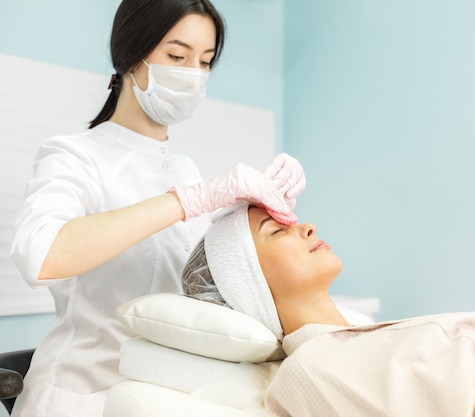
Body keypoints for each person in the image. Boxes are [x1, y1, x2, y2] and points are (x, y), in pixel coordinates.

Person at [10, 1, 304, 416]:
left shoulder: (183, 169)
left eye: (205, 62)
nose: (193, 75)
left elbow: (197, 289)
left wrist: (257, 212)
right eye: (177, 56)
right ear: (132, 55)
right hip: (81, 395)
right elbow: (40, 257)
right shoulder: (73, 156)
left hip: (158, 393)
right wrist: (186, 202)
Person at [183, 201, 475, 417]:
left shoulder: (366, 340)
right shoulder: (311, 372)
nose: (306, 225)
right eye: (274, 232)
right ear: (249, 282)